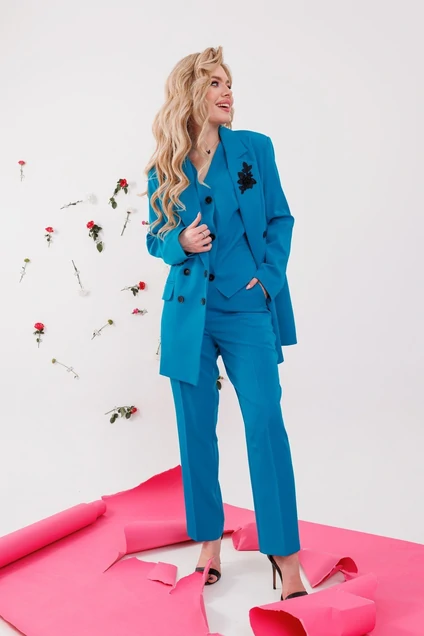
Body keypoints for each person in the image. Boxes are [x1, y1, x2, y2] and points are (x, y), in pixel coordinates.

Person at [144, 46, 307, 601]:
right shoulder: (165, 165)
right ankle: (209, 542)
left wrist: (268, 278)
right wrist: (179, 242)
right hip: (187, 314)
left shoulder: (254, 149)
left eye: (228, 82)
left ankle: (285, 556)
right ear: (191, 92)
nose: (227, 92)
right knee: (196, 433)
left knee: (265, 424)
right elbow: (154, 238)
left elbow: (280, 217)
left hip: (246, 307)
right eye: (215, 83)